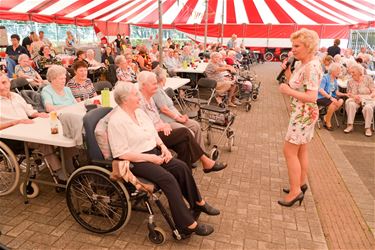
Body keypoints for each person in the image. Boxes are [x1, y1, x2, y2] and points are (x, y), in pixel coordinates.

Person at [107, 82, 221, 237]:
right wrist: (151, 158)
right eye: (135, 94)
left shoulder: (139, 112)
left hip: (153, 152)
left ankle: (197, 203)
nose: (139, 96)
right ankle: (186, 225)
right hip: (135, 161)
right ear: (125, 99)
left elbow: (153, 133)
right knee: (168, 179)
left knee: (181, 167)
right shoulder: (116, 121)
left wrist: (164, 148)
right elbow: (122, 154)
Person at [136, 71, 227, 172]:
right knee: (186, 133)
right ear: (143, 85)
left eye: (156, 82)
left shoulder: (150, 98)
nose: (156, 85)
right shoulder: (139, 102)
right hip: (155, 135)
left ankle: (187, 172)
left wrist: (165, 124)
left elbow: (156, 117)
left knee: (185, 143)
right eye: (153, 83)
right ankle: (205, 161)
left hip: (163, 128)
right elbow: (144, 126)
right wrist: (164, 125)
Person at [0, 72, 76, 181]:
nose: (3, 87)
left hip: (27, 128)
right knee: (45, 142)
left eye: (4, 82)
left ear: (9, 82)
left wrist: (37, 114)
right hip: (11, 137)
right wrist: (15, 122)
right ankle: (60, 173)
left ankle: (71, 167)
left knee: (62, 133)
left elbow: (28, 110)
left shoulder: (16, 96)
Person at [278, 28, 322, 207]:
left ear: (308, 46)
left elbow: (312, 96)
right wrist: (288, 72)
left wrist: (288, 91)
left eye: (297, 46)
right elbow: (298, 85)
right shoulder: (305, 64)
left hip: (303, 114)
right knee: (301, 150)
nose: (293, 49)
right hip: (304, 113)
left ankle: (295, 191)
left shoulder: (311, 67)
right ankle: (300, 184)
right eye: (292, 45)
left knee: (289, 151)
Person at [153, 67, 205, 149]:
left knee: (196, 125)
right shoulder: (156, 91)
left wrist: (181, 116)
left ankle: (202, 153)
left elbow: (171, 107)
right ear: (162, 78)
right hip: (168, 121)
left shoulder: (161, 90)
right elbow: (164, 110)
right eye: (166, 76)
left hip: (176, 118)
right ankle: (193, 156)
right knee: (189, 132)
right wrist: (179, 118)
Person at [344, 63, 375, 137]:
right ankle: (350, 125)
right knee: (350, 104)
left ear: (359, 72)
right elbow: (349, 93)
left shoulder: (368, 79)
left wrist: (367, 97)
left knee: (368, 108)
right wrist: (354, 97)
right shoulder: (350, 81)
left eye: (353, 72)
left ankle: (367, 128)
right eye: (351, 72)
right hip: (355, 99)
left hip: (367, 99)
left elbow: (374, 91)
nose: (351, 74)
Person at [317, 63, 346, 131]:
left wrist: (345, 94)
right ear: (333, 71)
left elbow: (336, 92)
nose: (339, 72)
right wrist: (330, 98)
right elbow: (320, 90)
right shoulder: (325, 77)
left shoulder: (335, 79)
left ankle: (326, 116)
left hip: (330, 96)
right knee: (333, 103)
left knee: (341, 101)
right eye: (338, 70)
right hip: (321, 97)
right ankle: (328, 122)